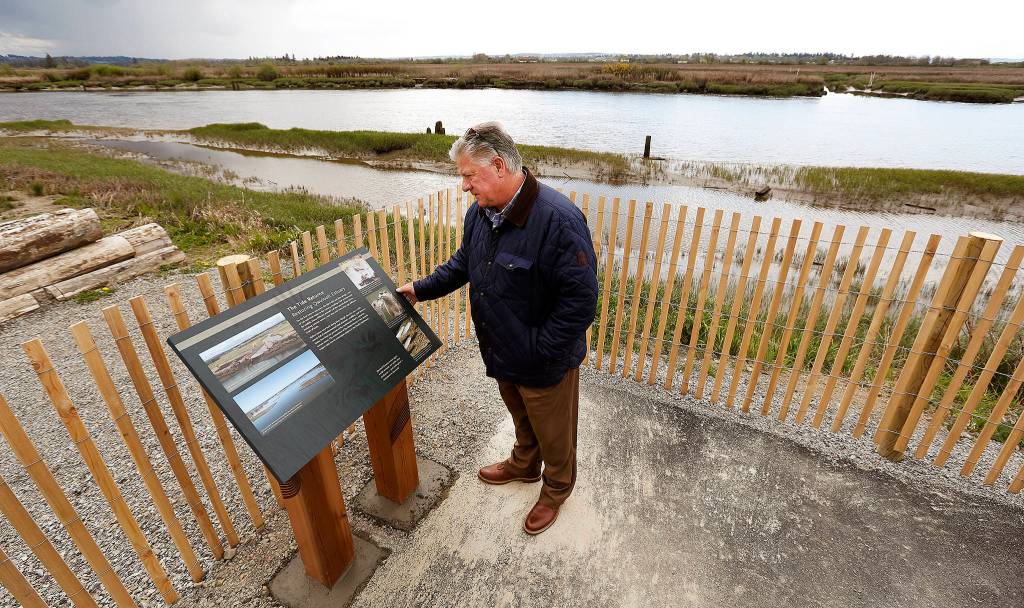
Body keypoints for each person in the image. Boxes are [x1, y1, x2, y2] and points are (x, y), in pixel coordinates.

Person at [397, 122, 598, 535]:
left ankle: (556, 488)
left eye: (470, 176)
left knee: (555, 433)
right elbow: (462, 264)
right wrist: (420, 290)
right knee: (521, 417)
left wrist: (540, 349)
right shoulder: (480, 214)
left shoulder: (559, 221)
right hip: (501, 350)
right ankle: (524, 464)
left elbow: (580, 304)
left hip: (543, 360)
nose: (465, 186)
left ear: (500, 166)